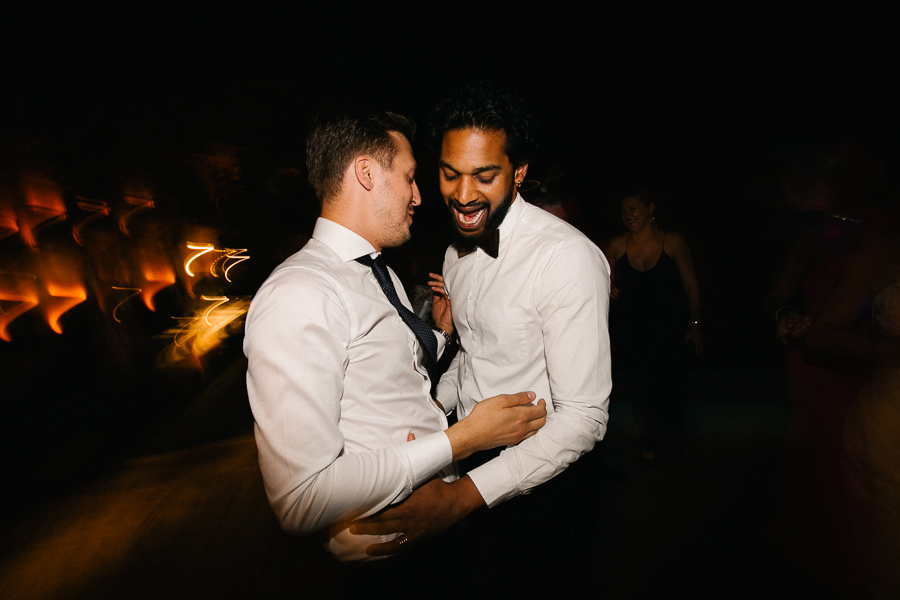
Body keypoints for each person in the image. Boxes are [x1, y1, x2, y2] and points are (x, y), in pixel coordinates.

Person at [243, 109, 547, 590]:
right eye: (409, 177)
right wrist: (464, 438)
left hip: (434, 534)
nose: (420, 196)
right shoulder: (300, 293)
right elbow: (300, 499)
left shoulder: (375, 272)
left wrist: (441, 338)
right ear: (366, 172)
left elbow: (386, 383)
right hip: (387, 568)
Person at [352, 83, 612, 595]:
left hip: (545, 483)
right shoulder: (455, 255)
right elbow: (471, 358)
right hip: (469, 460)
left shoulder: (566, 259)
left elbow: (584, 418)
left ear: (518, 172)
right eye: (450, 173)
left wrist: (463, 496)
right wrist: (426, 421)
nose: (464, 194)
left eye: (484, 175)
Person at [604, 189, 702, 463]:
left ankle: (672, 444)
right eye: (624, 211)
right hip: (633, 329)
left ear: (650, 209)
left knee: (672, 389)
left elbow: (691, 285)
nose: (628, 215)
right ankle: (649, 444)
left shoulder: (673, 242)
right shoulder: (615, 246)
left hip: (671, 329)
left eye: (633, 209)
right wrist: (609, 287)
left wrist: (695, 324)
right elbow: (601, 281)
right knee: (641, 388)